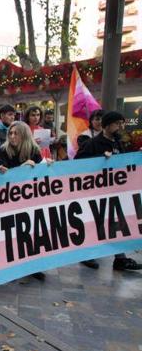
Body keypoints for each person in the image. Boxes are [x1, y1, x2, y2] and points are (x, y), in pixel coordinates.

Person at [76, 111, 141, 271]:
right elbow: (77, 164)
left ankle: (120, 258)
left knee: (116, 223)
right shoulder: (93, 143)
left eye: (121, 123)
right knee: (94, 224)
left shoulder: (119, 142)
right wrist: (100, 159)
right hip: (95, 192)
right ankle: (87, 255)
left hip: (115, 192)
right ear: (107, 125)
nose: (120, 126)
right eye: (117, 123)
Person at [0, 121, 53, 281]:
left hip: (29, 199)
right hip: (9, 199)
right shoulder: (3, 151)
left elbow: (41, 172)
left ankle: (32, 266)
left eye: (16, 133)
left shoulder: (34, 150)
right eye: (10, 133)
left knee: (30, 233)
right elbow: (4, 176)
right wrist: (22, 167)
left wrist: (47, 165)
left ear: (25, 134)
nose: (12, 136)